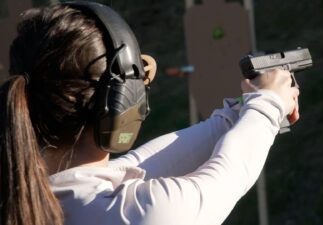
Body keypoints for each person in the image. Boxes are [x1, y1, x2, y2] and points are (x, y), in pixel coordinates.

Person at [0, 2, 299, 225]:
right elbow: (229, 177)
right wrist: (268, 103)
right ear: (121, 102)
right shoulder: (140, 214)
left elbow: (136, 165)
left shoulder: (29, 195)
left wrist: (242, 111)